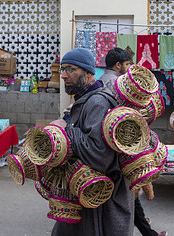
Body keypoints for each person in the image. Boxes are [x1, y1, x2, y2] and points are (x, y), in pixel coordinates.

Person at [50, 48, 133, 236]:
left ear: (88, 73)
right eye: (62, 69)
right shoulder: (85, 98)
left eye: (70, 69)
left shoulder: (98, 102)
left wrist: (66, 128)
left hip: (102, 198)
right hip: (88, 195)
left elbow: (100, 156)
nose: (63, 75)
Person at [100, 48, 167, 236]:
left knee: (129, 195)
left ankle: (148, 232)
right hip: (121, 147)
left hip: (113, 146)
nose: (130, 69)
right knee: (128, 193)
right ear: (118, 65)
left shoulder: (102, 80)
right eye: (128, 64)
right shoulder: (118, 83)